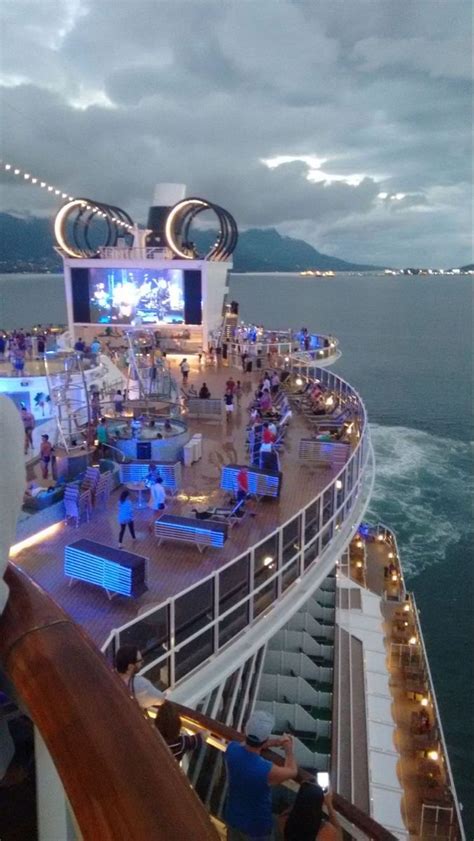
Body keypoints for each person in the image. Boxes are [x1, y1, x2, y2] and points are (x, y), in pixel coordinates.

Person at [225, 711, 297, 841]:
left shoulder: (232, 749)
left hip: (234, 818)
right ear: (265, 738)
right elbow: (292, 771)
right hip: (257, 826)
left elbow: (246, 745)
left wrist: (274, 742)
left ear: (246, 730)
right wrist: (288, 749)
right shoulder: (266, 769)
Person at [115, 644, 165, 710]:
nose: (142, 661)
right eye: (139, 660)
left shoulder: (111, 678)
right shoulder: (140, 684)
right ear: (130, 667)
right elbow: (161, 699)